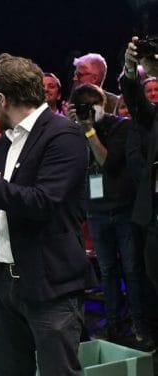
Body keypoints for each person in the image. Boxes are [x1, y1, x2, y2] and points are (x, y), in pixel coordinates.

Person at [0, 53, 97, 376]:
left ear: (1, 98)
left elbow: (42, 202)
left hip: (50, 285)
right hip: (3, 283)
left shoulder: (64, 135)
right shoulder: (3, 144)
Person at [67, 84, 155, 351]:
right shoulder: (72, 131)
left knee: (132, 270)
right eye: (83, 106)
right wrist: (75, 130)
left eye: (93, 104)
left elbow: (109, 162)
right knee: (106, 271)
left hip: (124, 210)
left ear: (104, 102)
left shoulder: (122, 127)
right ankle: (114, 324)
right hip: (95, 211)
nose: (89, 111)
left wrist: (89, 132)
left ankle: (141, 327)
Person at [122, 36, 158, 292]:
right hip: (154, 213)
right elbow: (137, 105)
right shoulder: (154, 116)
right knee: (152, 271)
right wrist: (132, 69)